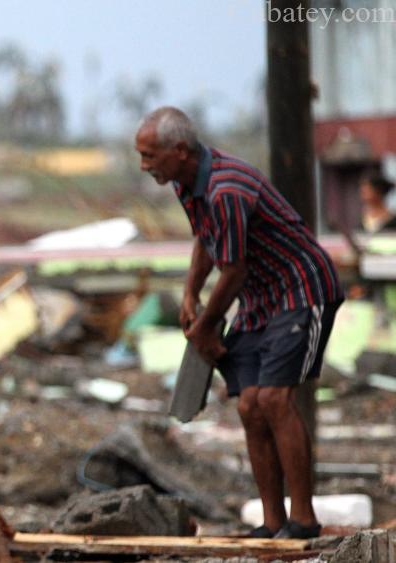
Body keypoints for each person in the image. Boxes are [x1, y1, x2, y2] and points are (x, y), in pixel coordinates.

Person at [135, 107, 344, 539]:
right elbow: (205, 239)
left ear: (179, 151)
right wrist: (191, 292)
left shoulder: (226, 188)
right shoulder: (186, 183)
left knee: (273, 399)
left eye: (150, 155)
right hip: (260, 297)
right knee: (249, 405)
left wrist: (207, 327)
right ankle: (272, 521)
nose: (145, 165)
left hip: (300, 288)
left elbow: (234, 270)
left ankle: (302, 519)